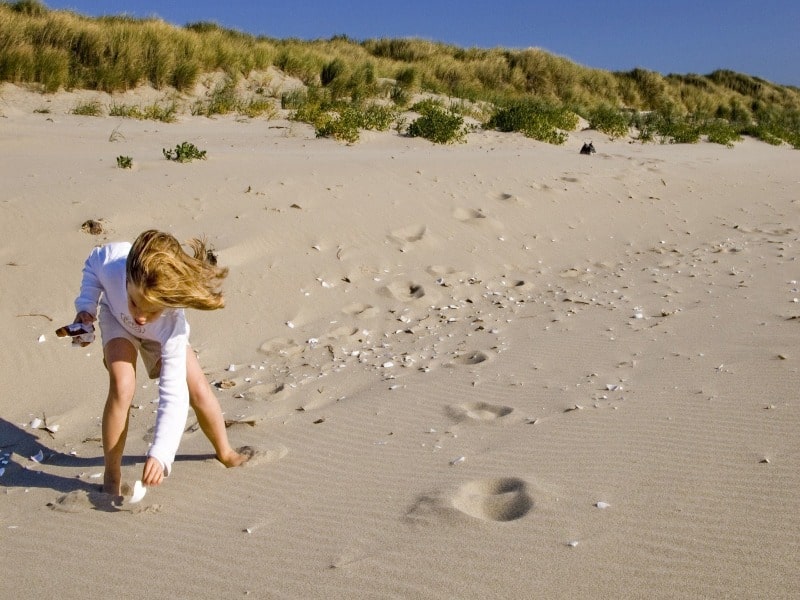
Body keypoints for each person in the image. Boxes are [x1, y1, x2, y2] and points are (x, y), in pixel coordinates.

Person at [71, 229, 248, 496]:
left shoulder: (172, 323)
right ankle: (112, 474)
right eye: (135, 302)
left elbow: (173, 395)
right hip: (117, 322)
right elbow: (92, 264)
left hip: (159, 336)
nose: (141, 316)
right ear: (127, 276)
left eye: (151, 309)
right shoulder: (112, 262)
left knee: (196, 387)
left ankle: (225, 451)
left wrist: (161, 453)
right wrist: (86, 307)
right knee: (122, 385)